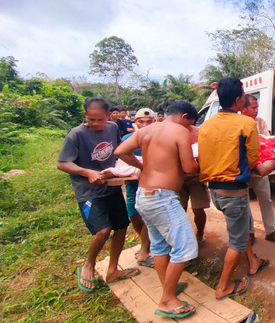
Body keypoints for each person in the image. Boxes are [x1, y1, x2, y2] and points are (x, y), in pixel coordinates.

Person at [115, 100, 200, 318]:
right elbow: (189, 167)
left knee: (160, 246)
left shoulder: (147, 130)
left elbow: (121, 151)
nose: (191, 129)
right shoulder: (179, 131)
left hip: (144, 194)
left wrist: (142, 166)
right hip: (163, 197)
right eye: (191, 124)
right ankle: (167, 301)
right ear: (184, 117)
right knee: (186, 247)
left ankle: (167, 289)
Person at [57, 98, 140, 293]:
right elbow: (62, 163)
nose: (95, 123)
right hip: (89, 191)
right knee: (103, 230)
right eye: (91, 119)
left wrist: (128, 168)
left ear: (108, 116)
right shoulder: (76, 135)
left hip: (111, 187)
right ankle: (88, 264)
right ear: (85, 116)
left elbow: (119, 151)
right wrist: (88, 172)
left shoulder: (112, 128)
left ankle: (113, 270)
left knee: (121, 227)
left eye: (99, 119)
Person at [199, 77, 269, 300]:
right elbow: (253, 157)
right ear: (239, 100)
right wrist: (242, 172)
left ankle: (253, 262)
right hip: (234, 190)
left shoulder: (206, 125)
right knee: (236, 241)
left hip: (214, 191)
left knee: (243, 225)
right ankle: (223, 286)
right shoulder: (246, 123)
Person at [242, 94, 275, 244]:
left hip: (259, 169)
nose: (256, 111)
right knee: (244, 202)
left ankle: (270, 231)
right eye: (253, 107)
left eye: (257, 107)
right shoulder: (238, 124)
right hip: (244, 170)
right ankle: (249, 232)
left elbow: (268, 141)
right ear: (243, 108)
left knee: (266, 200)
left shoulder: (260, 122)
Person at [122, 108, 155, 268]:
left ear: (155, 122)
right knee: (133, 215)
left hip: (152, 186)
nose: (145, 124)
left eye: (149, 122)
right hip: (132, 185)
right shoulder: (127, 139)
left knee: (149, 218)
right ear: (135, 122)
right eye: (141, 121)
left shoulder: (159, 138)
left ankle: (144, 250)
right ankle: (145, 243)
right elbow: (121, 160)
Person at [178, 124, 210, 247]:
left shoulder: (199, 133)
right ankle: (182, 238)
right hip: (178, 178)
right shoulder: (171, 132)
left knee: (198, 208)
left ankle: (200, 234)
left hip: (197, 177)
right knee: (179, 210)